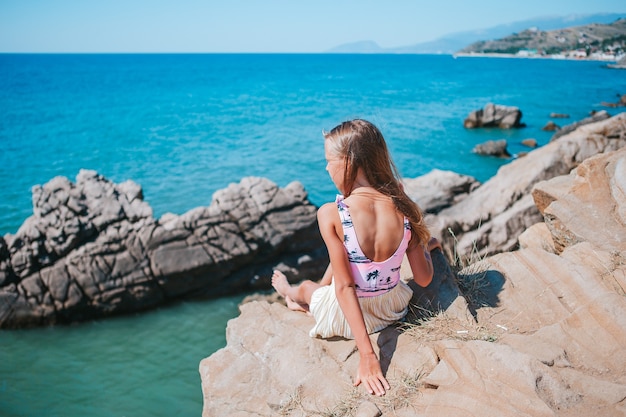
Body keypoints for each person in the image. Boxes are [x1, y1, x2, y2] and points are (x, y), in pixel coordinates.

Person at [271, 119, 441, 397]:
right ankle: (313, 293)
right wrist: (424, 246)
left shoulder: (331, 213)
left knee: (305, 288)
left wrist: (368, 355)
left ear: (349, 161)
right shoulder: (401, 204)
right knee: (342, 263)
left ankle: (290, 295)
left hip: (347, 318)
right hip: (391, 309)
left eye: (329, 161)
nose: (326, 168)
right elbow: (424, 278)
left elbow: (346, 287)